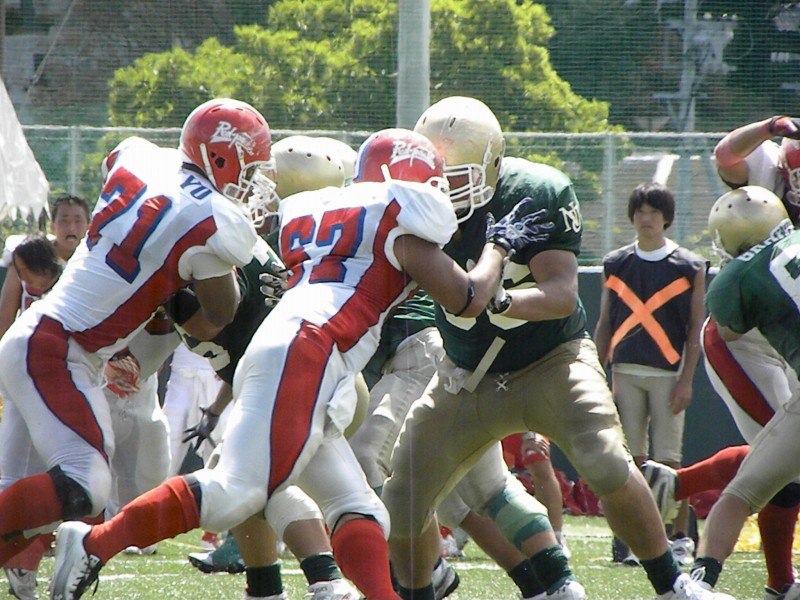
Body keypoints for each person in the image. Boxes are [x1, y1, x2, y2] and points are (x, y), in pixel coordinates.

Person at [49, 128, 510, 600]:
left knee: (356, 503)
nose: (440, 192)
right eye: (433, 181)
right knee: (235, 493)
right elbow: (467, 297)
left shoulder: (320, 207)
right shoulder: (398, 214)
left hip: (294, 346)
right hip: (312, 351)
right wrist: (499, 248)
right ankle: (95, 543)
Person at [380, 95, 732, 600]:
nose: (445, 190)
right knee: (403, 498)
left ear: (491, 165)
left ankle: (672, 584)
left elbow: (562, 295)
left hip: (551, 360)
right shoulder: (411, 205)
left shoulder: (535, 191)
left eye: (459, 178)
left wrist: (501, 299)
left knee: (606, 458)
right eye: (438, 176)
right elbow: (455, 298)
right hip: (465, 372)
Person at [0, 97, 275, 585]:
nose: (252, 184)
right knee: (86, 483)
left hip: (45, 335)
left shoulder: (140, 155)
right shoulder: (212, 219)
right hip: (59, 349)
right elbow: (218, 314)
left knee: (39, 482)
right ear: (220, 157)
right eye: (248, 169)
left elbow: (125, 192)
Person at [686, 114, 800, 597]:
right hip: (745, 342)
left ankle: (674, 487)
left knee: (767, 473)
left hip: (767, 334)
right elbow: (726, 154)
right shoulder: (764, 175)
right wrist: (772, 127)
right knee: (778, 471)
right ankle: (779, 582)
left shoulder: (737, 274)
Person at [593, 182, 708, 563]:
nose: (646, 218)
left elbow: (695, 329)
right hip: (624, 371)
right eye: (640, 211)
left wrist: (686, 380)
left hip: (669, 375)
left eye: (654, 212)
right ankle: (633, 540)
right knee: (632, 462)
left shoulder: (690, 266)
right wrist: (596, 371)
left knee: (671, 461)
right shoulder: (615, 262)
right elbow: (605, 322)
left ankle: (681, 538)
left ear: (666, 218)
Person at [0, 195, 90, 338]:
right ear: (52, 226)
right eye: (64, 221)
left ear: (89, 227)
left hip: (70, 345)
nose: (71, 228)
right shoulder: (27, 256)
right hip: (27, 341)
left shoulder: (94, 265)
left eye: (78, 221)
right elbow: (5, 316)